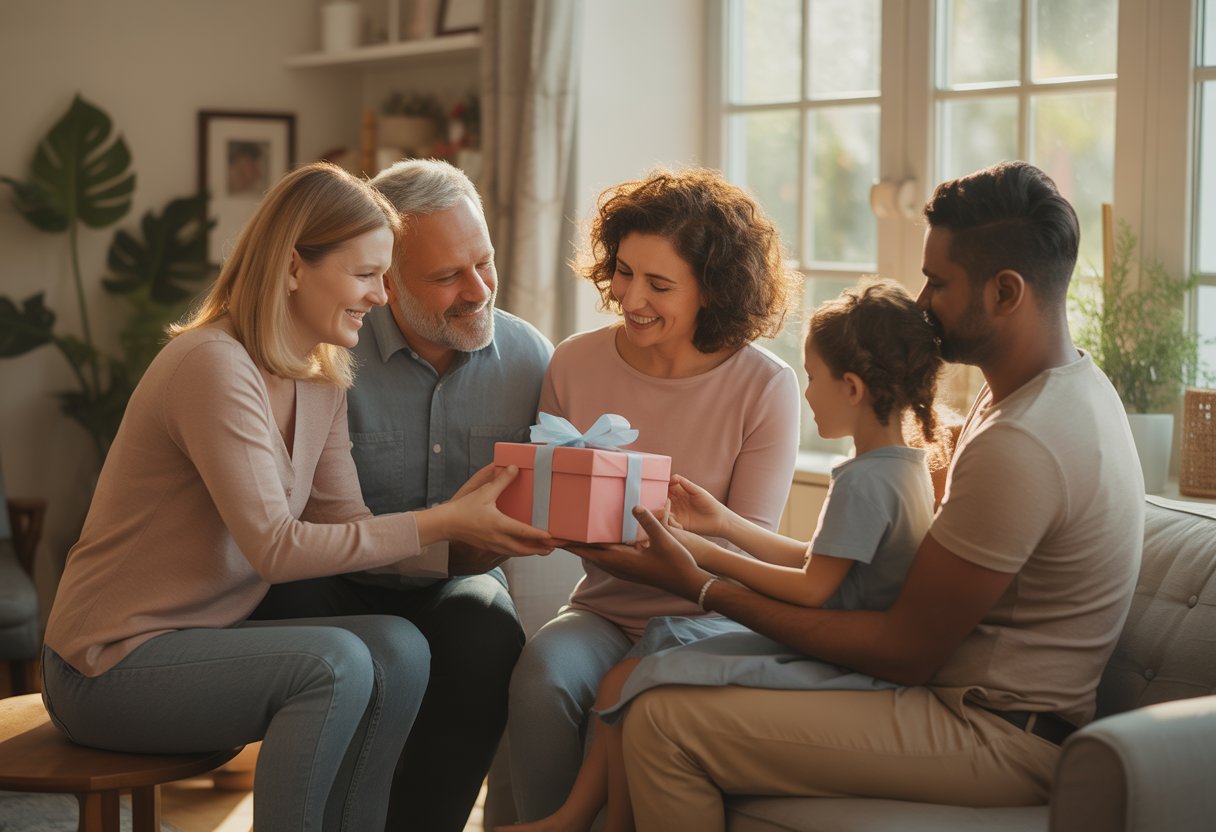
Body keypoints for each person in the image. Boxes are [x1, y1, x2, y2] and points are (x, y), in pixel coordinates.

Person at [571, 161, 1145, 830]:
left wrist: (699, 583)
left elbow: (902, 649)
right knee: (667, 676)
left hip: (997, 733)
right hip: (966, 703)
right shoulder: (1035, 392)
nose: (923, 301)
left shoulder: (1027, 441)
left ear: (1006, 292)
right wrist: (719, 543)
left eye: (939, 281)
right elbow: (873, 579)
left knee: (663, 722)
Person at [40, 162, 556, 832]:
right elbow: (277, 548)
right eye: (367, 275)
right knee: (335, 662)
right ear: (292, 268)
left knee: (399, 650)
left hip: (208, 640)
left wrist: (465, 540)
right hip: (109, 662)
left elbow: (351, 528)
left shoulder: (320, 372)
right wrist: (445, 519)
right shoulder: (214, 365)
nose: (379, 297)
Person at [500, 279, 945, 832]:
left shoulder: (863, 480)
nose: (806, 394)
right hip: (818, 636)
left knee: (627, 681)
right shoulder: (905, 469)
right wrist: (722, 523)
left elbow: (812, 587)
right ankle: (585, 818)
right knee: (620, 679)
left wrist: (698, 556)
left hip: (825, 651)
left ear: (852, 387)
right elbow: (816, 556)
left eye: (813, 378)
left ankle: (583, 818)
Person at [250, 158, 553, 832]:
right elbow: (284, 527)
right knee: (293, 609)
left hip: (454, 580)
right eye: (447, 277)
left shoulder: (532, 360)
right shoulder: (326, 353)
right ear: (382, 279)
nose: (478, 291)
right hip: (325, 573)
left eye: (485, 262)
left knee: (487, 634)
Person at [506, 168, 804, 823]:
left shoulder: (764, 386)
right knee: (543, 675)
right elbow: (549, 504)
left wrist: (645, 544)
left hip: (711, 615)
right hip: (604, 608)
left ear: (715, 292)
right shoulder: (574, 363)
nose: (631, 297)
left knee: (641, 691)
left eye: (660, 284)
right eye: (623, 271)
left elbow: (740, 544)